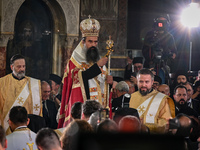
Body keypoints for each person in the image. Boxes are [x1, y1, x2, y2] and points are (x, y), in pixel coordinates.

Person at [58, 16, 113, 127]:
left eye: (95, 42)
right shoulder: (75, 59)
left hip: (99, 109)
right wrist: (97, 66)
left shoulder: (98, 59)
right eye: (90, 42)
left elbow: (103, 87)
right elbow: (78, 78)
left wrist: (110, 83)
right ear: (83, 42)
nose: (93, 45)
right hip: (83, 108)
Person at [0, 54, 41, 134]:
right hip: (7, 129)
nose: (22, 69)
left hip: (29, 130)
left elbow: (39, 113)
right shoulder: (2, 83)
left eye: (23, 66)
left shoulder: (34, 84)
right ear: (12, 67)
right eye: (19, 67)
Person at [129, 68, 174, 133]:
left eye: (147, 82)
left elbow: (166, 123)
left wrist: (146, 127)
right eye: (141, 81)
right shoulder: (133, 96)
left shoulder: (163, 98)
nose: (143, 85)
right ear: (137, 81)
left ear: (152, 82)